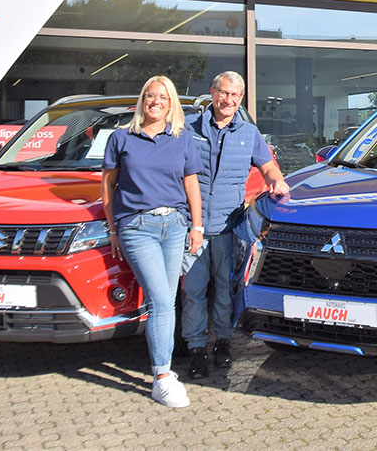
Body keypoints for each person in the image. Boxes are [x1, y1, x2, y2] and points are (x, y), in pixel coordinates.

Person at [101, 75, 203, 408]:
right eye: (150, 95)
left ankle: (164, 369)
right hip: (137, 226)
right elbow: (107, 188)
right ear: (142, 100)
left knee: (167, 298)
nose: (155, 101)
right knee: (160, 299)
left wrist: (196, 226)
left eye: (162, 97)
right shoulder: (121, 138)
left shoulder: (183, 139)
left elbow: (191, 186)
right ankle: (162, 378)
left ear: (171, 103)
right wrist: (114, 229)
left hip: (174, 225)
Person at [181, 71, 289, 379]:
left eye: (235, 96)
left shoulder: (249, 133)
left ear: (240, 99)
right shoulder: (188, 129)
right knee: (193, 291)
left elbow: (267, 166)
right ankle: (197, 349)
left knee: (227, 289)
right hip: (195, 226)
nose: (228, 100)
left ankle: (224, 344)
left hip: (230, 226)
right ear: (213, 93)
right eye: (224, 93)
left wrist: (277, 182)